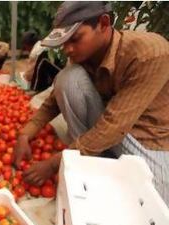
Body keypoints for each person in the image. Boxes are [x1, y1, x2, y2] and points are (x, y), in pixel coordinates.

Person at [14, 1, 169, 206]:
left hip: (146, 139)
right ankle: (91, 161)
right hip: (109, 125)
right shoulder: (83, 54)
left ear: (104, 24)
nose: (67, 49)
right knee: (68, 79)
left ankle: (90, 160)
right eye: (64, 42)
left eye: (75, 39)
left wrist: (54, 163)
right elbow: (53, 100)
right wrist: (26, 133)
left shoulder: (149, 53)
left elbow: (114, 125)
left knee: (149, 203)